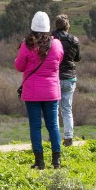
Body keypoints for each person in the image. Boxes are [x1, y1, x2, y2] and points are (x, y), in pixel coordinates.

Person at [15, 11, 64, 169]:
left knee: (35, 126)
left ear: (32, 27)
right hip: (51, 91)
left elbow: (19, 66)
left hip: (32, 92)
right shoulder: (56, 44)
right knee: (53, 125)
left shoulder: (27, 45)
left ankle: (39, 161)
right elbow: (59, 60)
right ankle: (56, 160)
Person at [53, 14, 81, 147]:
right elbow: (77, 58)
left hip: (55, 77)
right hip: (70, 77)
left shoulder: (51, 38)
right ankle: (68, 137)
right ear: (67, 25)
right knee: (67, 109)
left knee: (54, 109)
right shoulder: (74, 39)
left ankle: (55, 136)